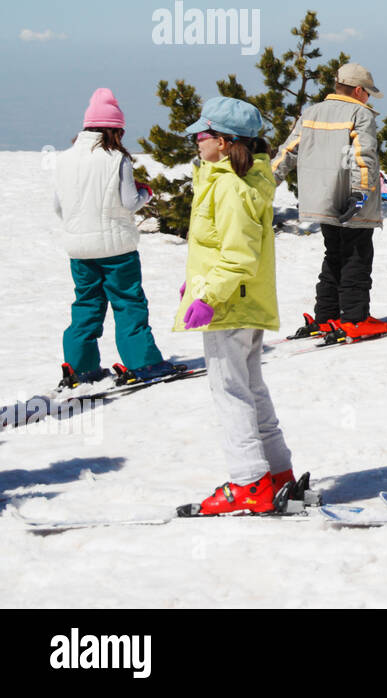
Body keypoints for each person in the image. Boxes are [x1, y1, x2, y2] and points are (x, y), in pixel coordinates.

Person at [176, 97, 298, 514]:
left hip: (229, 305)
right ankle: (278, 473)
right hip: (238, 301)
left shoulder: (229, 186)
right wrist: (194, 283)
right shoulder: (231, 179)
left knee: (229, 390)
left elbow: (239, 255)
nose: (196, 139)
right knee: (250, 386)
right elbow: (220, 248)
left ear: (226, 142)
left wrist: (208, 296)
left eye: (203, 134)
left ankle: (248, 481)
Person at [53, 88, 181, 388]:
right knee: (128, 304)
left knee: (86, 305)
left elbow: (60, 207)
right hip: (116, 250)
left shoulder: (65, 158)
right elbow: (128, 202)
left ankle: (80, 368)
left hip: (79, 249)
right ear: (115, 129)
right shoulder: (117, 159)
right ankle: (144, 363)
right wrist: (145, 193)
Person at [272, 63, 387, 340]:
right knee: (356, 258)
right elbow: (363, 157)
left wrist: (264, 184)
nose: (368, 98)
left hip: (320, 200)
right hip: (350, 200)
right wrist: (359, 195)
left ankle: (327, 316)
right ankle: (355, 319)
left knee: (333, 255)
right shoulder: (360, 114)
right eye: (368, 93)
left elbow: (288, 151)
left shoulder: (310, 113)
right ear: (358, 90)